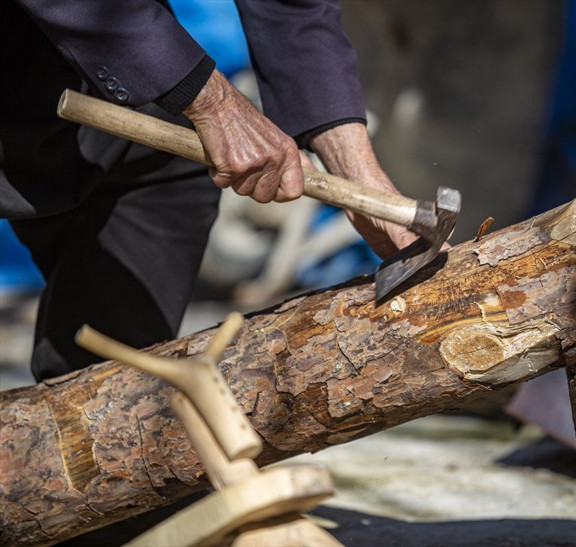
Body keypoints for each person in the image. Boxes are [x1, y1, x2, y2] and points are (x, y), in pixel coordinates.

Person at [1, 0, 417, 382]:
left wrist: (358, 173)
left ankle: (89, 435)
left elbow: (291, 7)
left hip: (103, 77)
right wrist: (214, 104)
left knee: (112, 388)